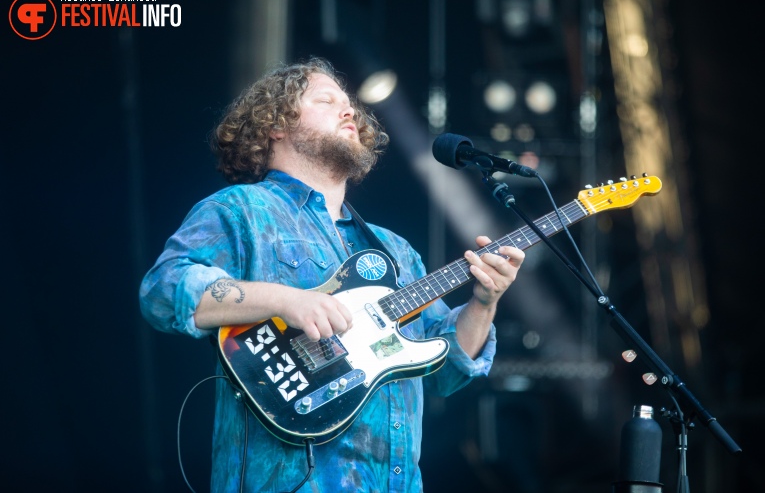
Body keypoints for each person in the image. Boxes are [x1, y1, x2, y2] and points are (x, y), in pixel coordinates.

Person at [139, 57, 525, 492]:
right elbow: (163, 289)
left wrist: (484, 302)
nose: (349, 112)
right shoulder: (240, 210)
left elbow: (445, 374)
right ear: (275, 125)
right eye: (327, 100)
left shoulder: (394, 249)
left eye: (351, 106)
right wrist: (288, 300)